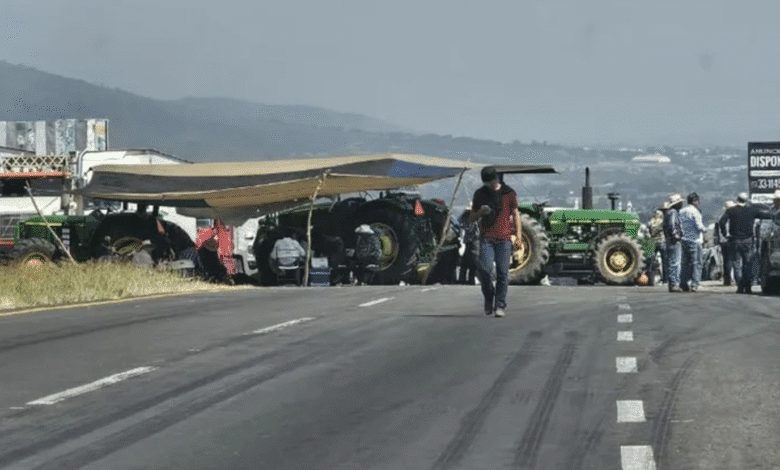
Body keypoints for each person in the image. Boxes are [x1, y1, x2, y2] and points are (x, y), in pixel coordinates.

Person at [468, 166, 522, 317]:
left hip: (504, 238)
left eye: (492, 183)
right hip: (487, 238)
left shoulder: (509, 193)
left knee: (502, 273)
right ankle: (488, 296)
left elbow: (516, 214)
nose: (490, 186)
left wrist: (518, 235)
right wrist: (480, 212)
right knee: (484, 270)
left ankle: (500, 304)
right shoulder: (480, 194)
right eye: (487, 184)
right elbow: (471, 218)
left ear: (496, 179)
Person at [719, 192, 773, 293]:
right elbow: (766, 215)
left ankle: (740, 286)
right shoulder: (751, 210)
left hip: (734, 240)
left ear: (737, 199)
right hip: (748, 240)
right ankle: (748, 287)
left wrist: (725, 234)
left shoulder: (730, 210)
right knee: (748, 263)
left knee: (737, 264)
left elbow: (722, 222)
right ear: (746, 200)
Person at [678, 192, 707, 292]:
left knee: (685, 263)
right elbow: (699, 226)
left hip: (684, 239)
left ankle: (683, 283)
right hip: (695, 240)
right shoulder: (695, 212)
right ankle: (695, 284)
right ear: (695, 201)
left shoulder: (682, 211)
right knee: (697, 263)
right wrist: (705, 229)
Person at [663, 193, 684, 292]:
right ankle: (674, 284)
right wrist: (676, 235)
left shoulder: (668, 212)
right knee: (675, 263)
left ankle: (673, 283)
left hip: (668, 241)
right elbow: (672, 225)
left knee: (672, 262)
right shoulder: (673, 212)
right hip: (674, 241)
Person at [458, 204, 479, 284]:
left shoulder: (478, 218)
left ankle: (471, 279)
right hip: (468, 241)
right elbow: (461, 225)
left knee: (473, 261)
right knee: (465, 261)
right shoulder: (465, 217)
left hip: (475, 241)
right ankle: (462, 279)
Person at [717, 200, 737, 286]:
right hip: (729, 240)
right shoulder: (731, 216)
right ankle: (731, 278)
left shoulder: (721, 216)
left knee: (726, 261)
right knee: (731, 260)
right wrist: (727, 235)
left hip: (722, 241)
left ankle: (727, 279)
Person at [648, 206, 667, 284]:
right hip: (661, 242)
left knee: (652, 261)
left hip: (653, 242)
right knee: (665, 261)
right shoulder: (662, 221)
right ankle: (665, 279)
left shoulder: (651, 221)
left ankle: (650, 278)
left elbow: (650, 231)